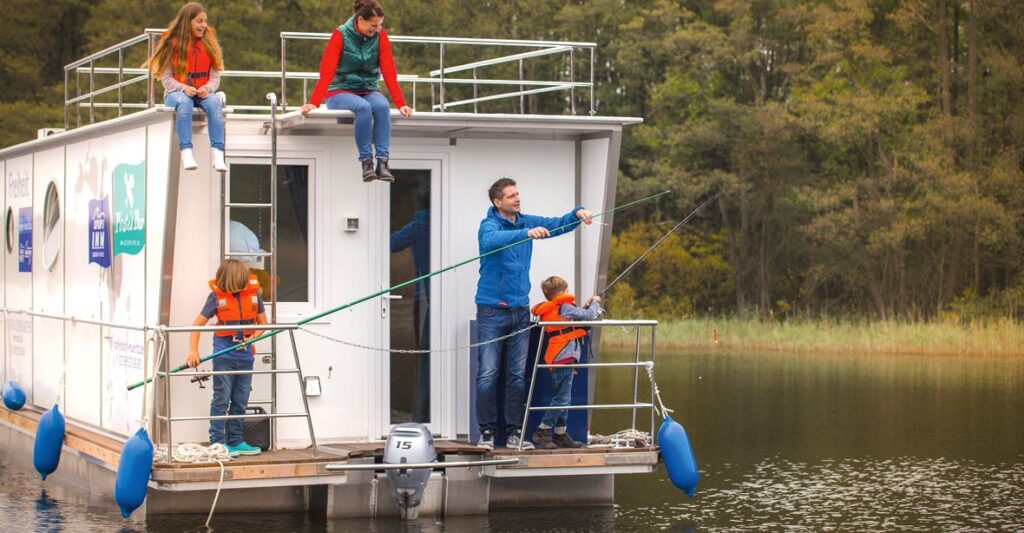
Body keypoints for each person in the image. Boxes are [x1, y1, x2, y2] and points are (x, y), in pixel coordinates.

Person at [475, 177, 593, 450]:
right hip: (491, 311)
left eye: (518, 194)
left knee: (517, 376)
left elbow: (556, 224)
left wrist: (577, 213)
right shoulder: (489, 225)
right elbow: (491, 241)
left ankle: (515, 432)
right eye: (511, 196)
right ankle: (488, 433)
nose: (517, 199)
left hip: (519, 311)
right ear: (497, 202)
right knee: (488, 374)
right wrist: (525, 234)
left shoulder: (526, 220)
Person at [301, 0, 414, 183]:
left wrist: (401, 103)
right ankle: (366, 162)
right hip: (339, 91)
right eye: (373, 25)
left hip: (368, 89)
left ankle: (383, 163)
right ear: (360, 20)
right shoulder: (340, 35)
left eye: (380, 25)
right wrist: (315, 101)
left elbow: (389, 71)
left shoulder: (380, 37)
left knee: (382, 106)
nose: (376, 29)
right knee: (363, 109)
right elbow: (327, 70)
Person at [187, 259, 267, 457]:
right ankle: (218, 443)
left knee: (241, 399)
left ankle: (236, 440)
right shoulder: (215, 297)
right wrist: (193, 351)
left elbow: (262, 324)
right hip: (224, 353)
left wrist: (252, 337)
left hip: (246, 355)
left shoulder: (254, 295)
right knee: (221, 398)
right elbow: (197, 325)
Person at [144, 2, 227, 172]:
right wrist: (183, 88)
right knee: (185, 103)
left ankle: (218, 153)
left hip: (202, 93)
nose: (203, 25)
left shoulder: (209, 45)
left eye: (205, 21)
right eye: (199, 21)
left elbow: (215, 78)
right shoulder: (171, 45)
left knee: (214, 103)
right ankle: (186, 151)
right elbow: (166, 79)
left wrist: (208, 88)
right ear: (187, 22)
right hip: (177, 93)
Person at [529, 276, 603, 449]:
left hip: (559, 356)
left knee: (564, 398)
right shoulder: (564, 306)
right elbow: (590, 316)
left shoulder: (557, 308)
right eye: (567, 291)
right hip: (564, 356)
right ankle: (543, 430)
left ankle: (560, 434)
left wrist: (584, 306)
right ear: (562, 292)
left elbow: (574, 319)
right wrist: (595, 302)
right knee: (562, 399)